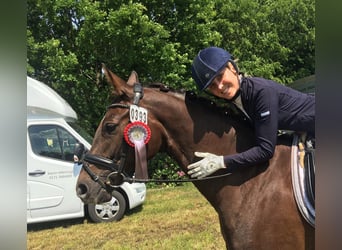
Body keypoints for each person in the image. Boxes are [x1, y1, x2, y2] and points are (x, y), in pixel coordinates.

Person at [187, 46, 315, 178]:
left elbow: (266, 150)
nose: (219, 86)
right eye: (212, 86)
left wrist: (222, 162)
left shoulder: (261, 92)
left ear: (232, 68)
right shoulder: (237, 101)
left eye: (220, 76)